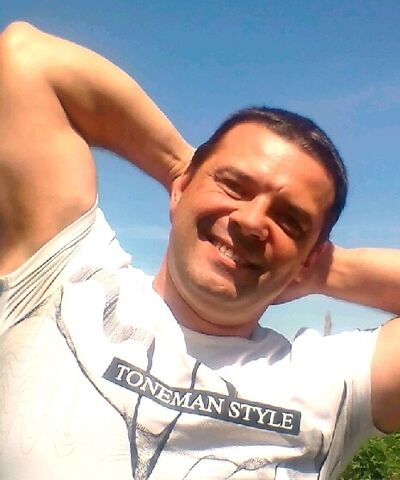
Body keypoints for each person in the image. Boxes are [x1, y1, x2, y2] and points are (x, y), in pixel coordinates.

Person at [0, 22, 399, 480]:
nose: (252, 221)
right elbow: (27, 58)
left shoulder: (334, 383)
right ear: (181, 188)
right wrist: (177, 167)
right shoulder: (64, 276)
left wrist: (323, 269)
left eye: (290, 220)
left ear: (308, 256)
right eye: (233, 185)